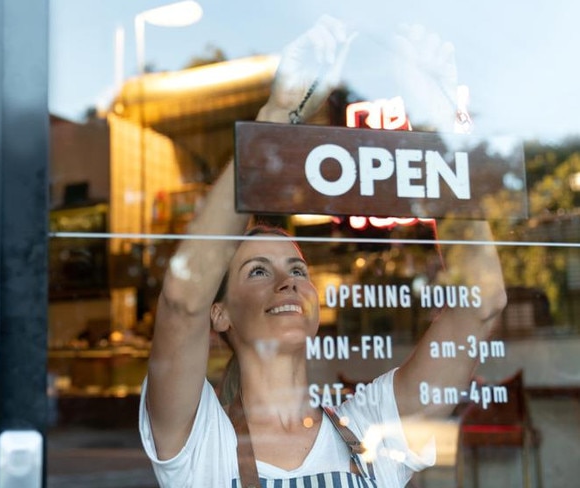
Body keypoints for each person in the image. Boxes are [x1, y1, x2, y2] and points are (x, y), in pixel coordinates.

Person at [139, 16, 506, 488]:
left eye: (297, 267)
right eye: (257, 272)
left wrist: (435, 125)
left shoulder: (372, 427)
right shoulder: (199, 440)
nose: (287, 281)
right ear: (219, 315)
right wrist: (277, 114)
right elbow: (182, 297)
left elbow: (484, 301)